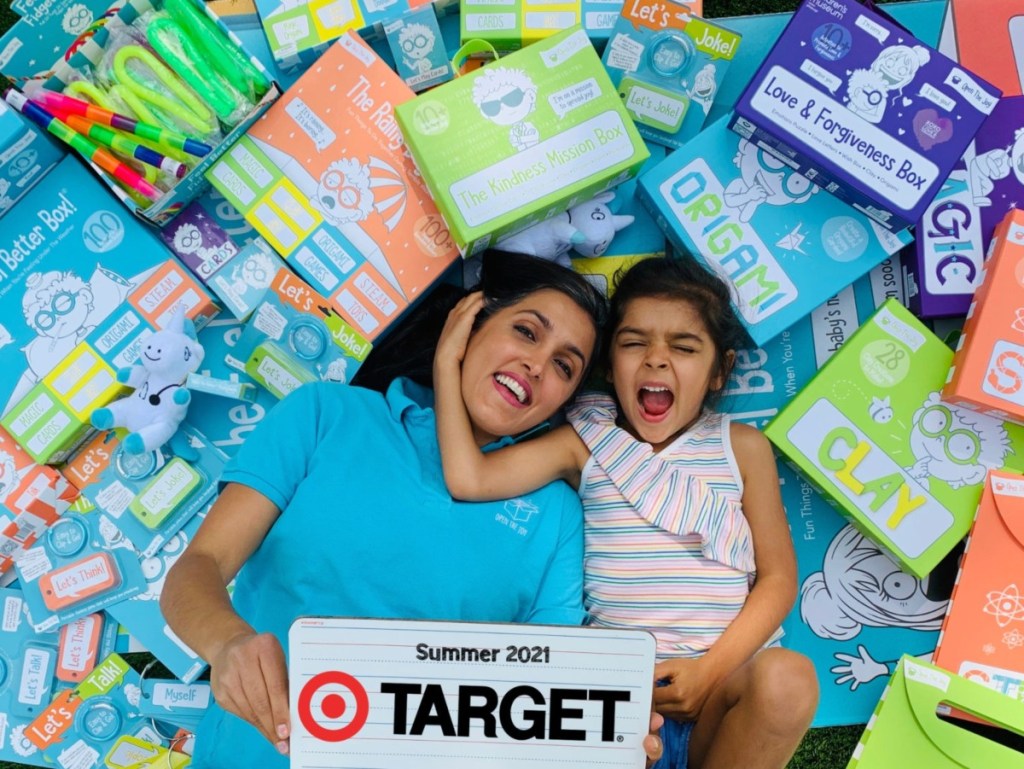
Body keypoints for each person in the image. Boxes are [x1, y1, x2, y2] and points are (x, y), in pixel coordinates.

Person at [161, 252, 665, 766]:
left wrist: (606, 739)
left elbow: (548, 694)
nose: (537, 365)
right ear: (468, 322)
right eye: (527, 332)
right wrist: (226, 644)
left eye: (564, 366)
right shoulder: (325, 415)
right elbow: (197, 569)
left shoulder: (556, 517)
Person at [434, 255, 819, 769]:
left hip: (719, 697)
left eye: (683, 347)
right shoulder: (584, 444)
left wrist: (708, 673)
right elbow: (468, 478)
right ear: (608, 365)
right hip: (614, 706)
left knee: (788, 679)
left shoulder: (742, 447)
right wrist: (445, 364)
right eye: (634, 343)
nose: (656, 360)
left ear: (719, 372)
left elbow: (777, 578)